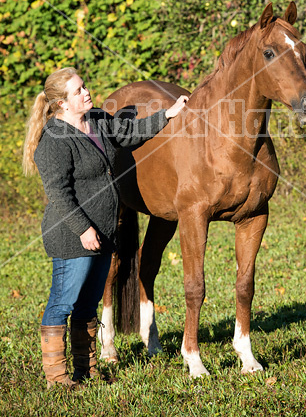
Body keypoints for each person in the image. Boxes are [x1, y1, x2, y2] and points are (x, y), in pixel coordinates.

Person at [22, 67, 188, 389]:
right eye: (79, 91)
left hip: (104, 232)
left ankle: (87, 370)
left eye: (84, 86)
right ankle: (57, 378)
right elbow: (59, 194)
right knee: (63, 303)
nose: (87, 93)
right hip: (73, 237)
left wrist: (168, 114)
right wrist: (84, 229)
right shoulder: (54, 141)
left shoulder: (96, 120)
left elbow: (129, 134)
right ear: (62, 104)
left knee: (87, 304)